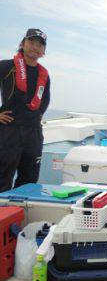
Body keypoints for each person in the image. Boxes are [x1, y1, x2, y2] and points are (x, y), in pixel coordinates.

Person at [0, 29, 51, 192]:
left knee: (29, 180)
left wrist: (35, 119)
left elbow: (45, 100)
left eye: (39, 45)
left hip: (33, 133)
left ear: (43, 51)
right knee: (3, 177)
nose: (35, 47)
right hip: (9, 130)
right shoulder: (6, 66)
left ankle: (20, 214)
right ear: (22, 44)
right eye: (31, 42)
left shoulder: (45, 75)